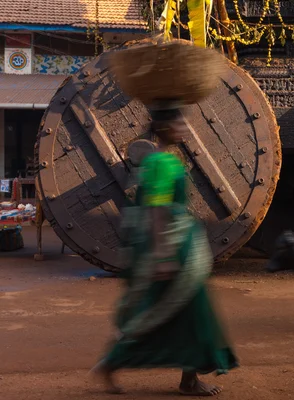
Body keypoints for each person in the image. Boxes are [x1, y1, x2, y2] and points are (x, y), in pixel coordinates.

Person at [91, 103, 238, 396]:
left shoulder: (164, 160)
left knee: (185, 312)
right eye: (180, 124)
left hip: (179, 245)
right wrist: (163, 255)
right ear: (164, 128)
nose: (185, 128)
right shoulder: (160, 163)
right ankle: (112, 363)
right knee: (166, 312)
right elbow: (156, 211)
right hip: (171, 248)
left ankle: (187, 379)